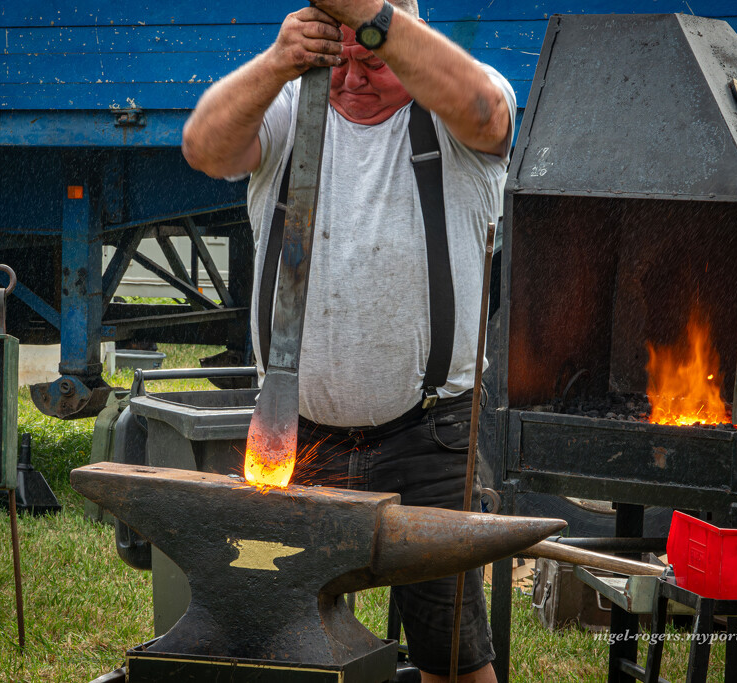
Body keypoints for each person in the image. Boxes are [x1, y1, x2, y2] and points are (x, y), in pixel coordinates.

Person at [182, 1, 515, 681]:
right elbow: (204, 146)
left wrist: (373, 21)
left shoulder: (456, 114)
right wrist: (282, 59)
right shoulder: (290, 110)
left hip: (430, 436)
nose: (354, 79)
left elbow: (486, 110)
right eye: (341, 61)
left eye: (375, 61)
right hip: (294, 437)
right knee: (282, 644)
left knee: (453, 656)